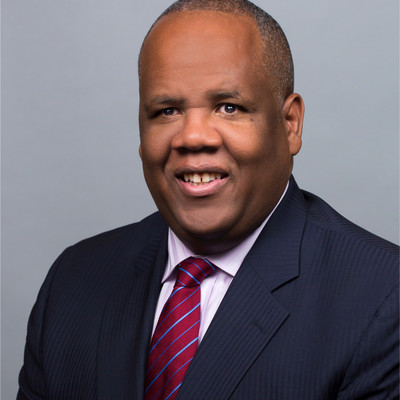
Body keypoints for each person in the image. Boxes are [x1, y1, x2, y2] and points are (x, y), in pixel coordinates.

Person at [17, 0, 399, 399]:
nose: (192, 137)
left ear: (289, 124)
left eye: (229, 107)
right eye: (166, 111)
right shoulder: (73, 281)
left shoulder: (383, 299)